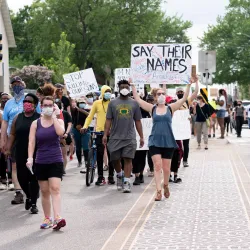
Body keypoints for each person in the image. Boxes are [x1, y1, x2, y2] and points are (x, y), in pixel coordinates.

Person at [131, 79, 193, 201]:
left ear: (166, 96)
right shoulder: (152, 108)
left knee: (166, 168)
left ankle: (166, 185)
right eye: (158, 94)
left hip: (168, 141)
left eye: (162, 94)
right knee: (157, 166)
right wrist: (133, 85)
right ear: (155, 96)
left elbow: (184, 98)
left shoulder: (171, 108)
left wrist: (189, 84)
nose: (161, 96)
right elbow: (138, 99)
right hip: (155, 141)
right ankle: (158, 191)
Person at [27, 96, 66, 230]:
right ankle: (47, 218)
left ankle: (57, 218)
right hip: (41, 160)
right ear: (41, 107)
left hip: (55, 159)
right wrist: (30, 158)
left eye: (51, 105)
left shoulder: (59, 120)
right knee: (44, 191)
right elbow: (31, 142)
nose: (48, 107)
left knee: (55, 188)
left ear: (54, 106)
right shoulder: (35, 123)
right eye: (45, 105)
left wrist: (55, 116)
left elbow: (61, 133)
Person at [1, 76, 40, 204]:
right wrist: (4, 142)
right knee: (15, 166)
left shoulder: (31, 100)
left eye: (19, 83)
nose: (17, 86)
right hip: (15, 138)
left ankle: (32, 191)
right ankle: (19, 192)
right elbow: (5, 123)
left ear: (23, 84)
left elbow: (41, 118)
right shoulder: (9, 104)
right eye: (14, 84)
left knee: (32, 167)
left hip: (33, 138)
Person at [103, 80, 144, 193]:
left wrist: (141, 136)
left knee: (128, 159)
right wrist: (105, 134)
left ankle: (126, 182)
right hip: (115, 137)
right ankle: (119, 175)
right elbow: (108, 120)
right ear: (119, 89)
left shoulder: (134, 103)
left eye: (126, 86)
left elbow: (138, 121)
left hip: (129, 137)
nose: (125, 88)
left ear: (129, 88)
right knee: (115, 159)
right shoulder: (112, 103)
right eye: (122, 87)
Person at [6, 93, 40, 214]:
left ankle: (34, 203)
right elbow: (12, 134)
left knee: (34, 178)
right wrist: (8, 148)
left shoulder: (39, 117)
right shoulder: (17, 118)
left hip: (36, 152)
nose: (26, 103)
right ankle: (29, 196)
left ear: (35, 104)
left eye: (29, 101)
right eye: (25, 101)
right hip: (20, 151)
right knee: (22, 177)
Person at [81, 85, 115, 185]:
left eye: (110, 92)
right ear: (102, 93)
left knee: (111, 154)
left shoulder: (113, 103)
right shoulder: (97, 103)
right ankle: (100, 177)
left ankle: (111, 176)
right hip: (99, 132)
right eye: (106, 92)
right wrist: (85, 126)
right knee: (100, 154)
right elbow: (90, 116)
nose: (108, 93)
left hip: (111, 132)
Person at [175, 78, 199, 167]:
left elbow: (195, 93)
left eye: (182, 92)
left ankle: (185, 160)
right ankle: (177, 159)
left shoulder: (187, 101)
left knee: (186, 144)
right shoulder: (173, 102)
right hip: (176, 127)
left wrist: (196, 82)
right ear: (176, 94)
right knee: (177, 145)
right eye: (179, 92)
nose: (180, 93)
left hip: (185, 126)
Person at [55, 99, 72, 174]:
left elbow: (69, 124)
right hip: (55, 136)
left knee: (63, 153)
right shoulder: (52, 114)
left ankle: (63, 169)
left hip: (63, 136)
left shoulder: (65, 113)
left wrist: (66, 133)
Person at [71, 99, 89, 169]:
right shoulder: (75, 110)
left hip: (85, 130)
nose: (82, 104)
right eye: (80, 103)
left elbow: (89, 115)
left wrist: (81, 110)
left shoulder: (87, 110)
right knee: (78, 146)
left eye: (83, 103)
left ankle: (87, 161)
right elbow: (71, 109)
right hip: (76, 130)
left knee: (85, 146)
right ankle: (79, 161)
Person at [0, 93, 11, 190]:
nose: (4, 100)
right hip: (1, 136)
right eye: (3, 99)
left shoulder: (11, 109)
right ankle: (3, 179)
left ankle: (11, 179)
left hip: (10, 136)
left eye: (6, 99)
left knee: (10, 157)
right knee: (1, 158)